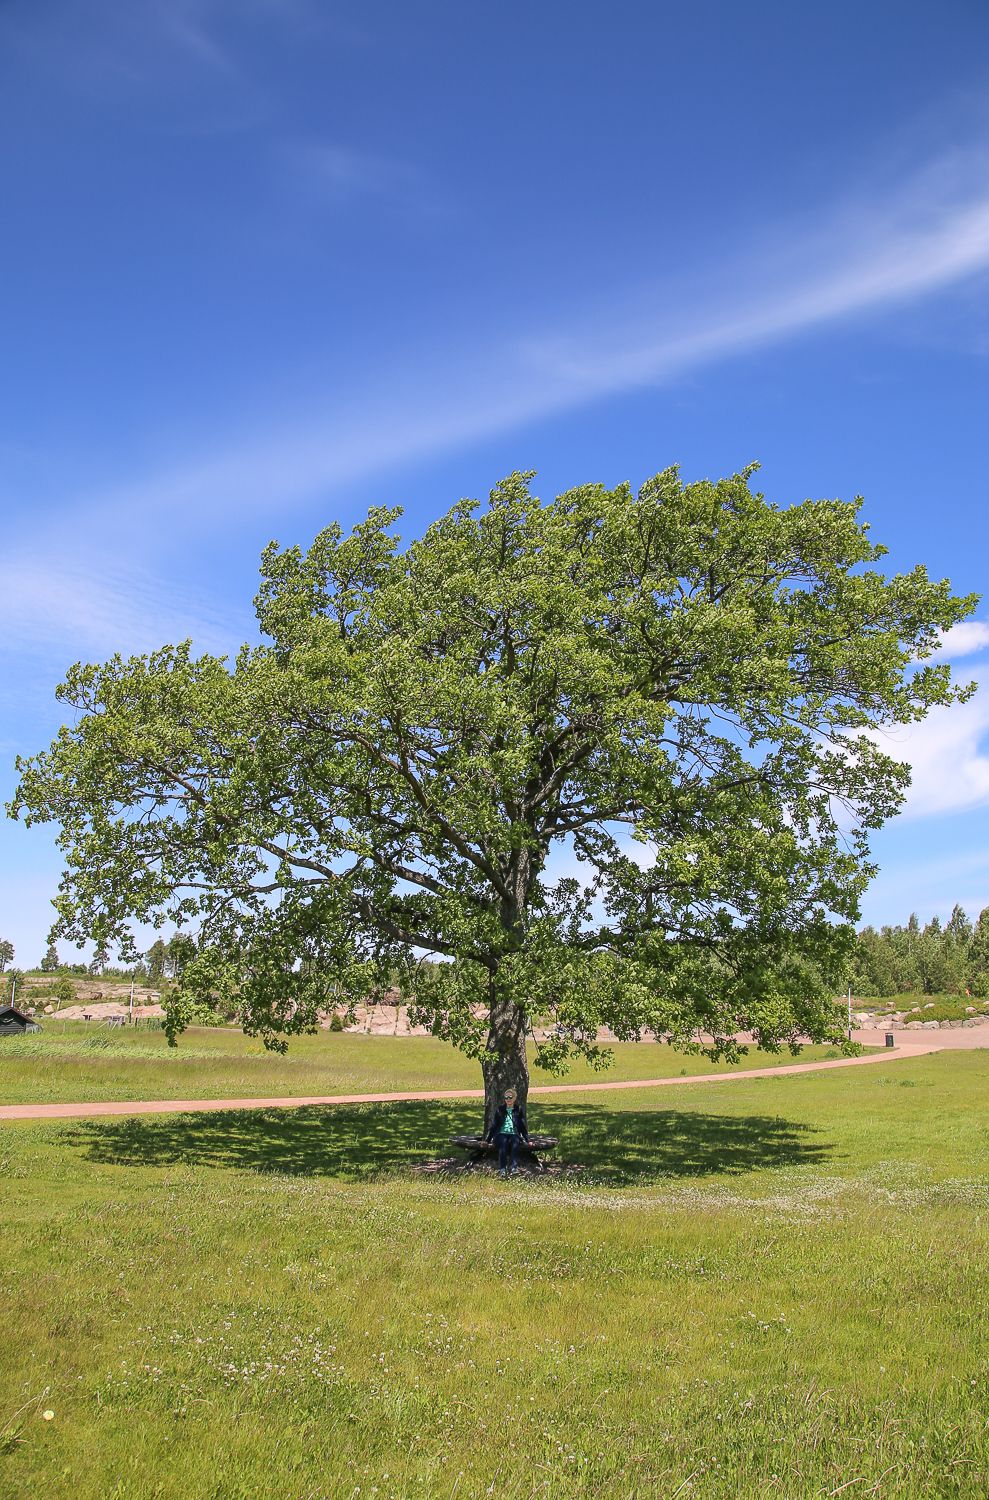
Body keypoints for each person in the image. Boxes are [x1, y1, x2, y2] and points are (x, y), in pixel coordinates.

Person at [485, 1087, 530, 1176]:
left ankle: (514, 1168)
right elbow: (494, 1125)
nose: (508, 1099)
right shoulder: (500, 1109)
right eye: (506, 1097)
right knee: (503, 1143)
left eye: (510, 1097)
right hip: (501, 1133)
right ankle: (502, 1169)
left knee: (515, 1143)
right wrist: (488, 1140)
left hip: (514, 1134)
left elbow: (522, 1125)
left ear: (514, 1098)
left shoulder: (518, 1109)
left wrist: (527, 1140)